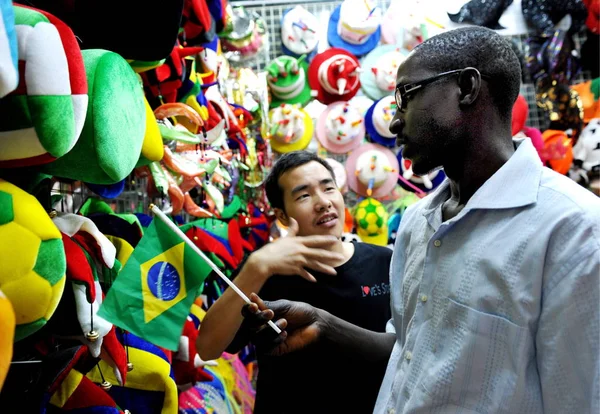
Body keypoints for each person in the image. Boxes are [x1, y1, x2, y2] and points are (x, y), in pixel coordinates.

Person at [248, 26, 600, 414]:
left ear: (466, 88)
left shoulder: (573, 229)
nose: (396, 121)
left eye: (406, 96)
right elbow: (408, 348)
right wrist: (323, 326)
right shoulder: (419, 222)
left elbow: (579, 397)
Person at [196, 151, 393, 413]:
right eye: (304, 195)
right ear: (282, 215)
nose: (323, 202)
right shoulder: (265, 270)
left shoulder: (385, 261)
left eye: (328, 188)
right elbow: (208, 348)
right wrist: (256, 266)